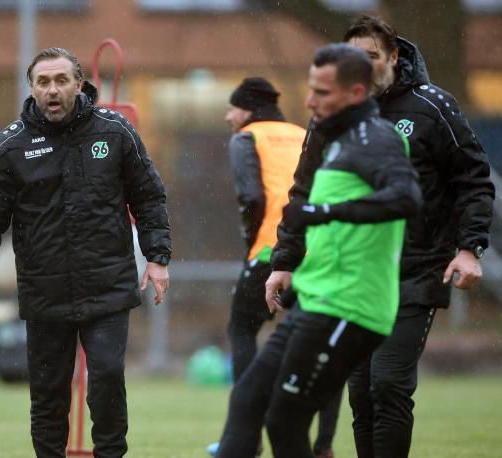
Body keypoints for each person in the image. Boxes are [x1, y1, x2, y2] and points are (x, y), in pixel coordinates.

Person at [267, 15, 495, 457]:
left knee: (388, 384)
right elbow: (304, 192)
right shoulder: (328, 114)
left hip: (415, 271)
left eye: (371, 57)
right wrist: (284, 261)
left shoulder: (433, 106)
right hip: (353, 277)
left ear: (392, 58)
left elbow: (473, 180)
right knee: (361, 393)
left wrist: (469, 248)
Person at [0, 47, 171, 458]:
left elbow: (149, 197)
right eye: (43, 82)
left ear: (79, 84)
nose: (52, 90)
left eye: (60, 81)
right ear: (32, 88)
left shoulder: (115, 132)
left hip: (107, 286)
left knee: (107, 378)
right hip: (45, 292)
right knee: (48, 395)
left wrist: (157, 258)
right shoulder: (11, 146)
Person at [216, 43, 423, 458]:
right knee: (249, 399)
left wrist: (328, 210)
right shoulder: (335, 139)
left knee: (285, 416)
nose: (310, 101)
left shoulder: (374, 138)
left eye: (323, 93)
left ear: (356, 94)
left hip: (350, 305)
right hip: (316, 298)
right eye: (311, 90)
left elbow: (406, 197)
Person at [210, 78, 339, 458]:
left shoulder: (246, 137)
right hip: (316, 253)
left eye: (232, 108)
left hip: (273, 251)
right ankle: (324, 444)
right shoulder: (305, 131)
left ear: (247, 110)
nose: (228, 116)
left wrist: (254, 245)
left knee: (242, 328)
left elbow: (250, 195)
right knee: (326, 348)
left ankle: (245, 437)